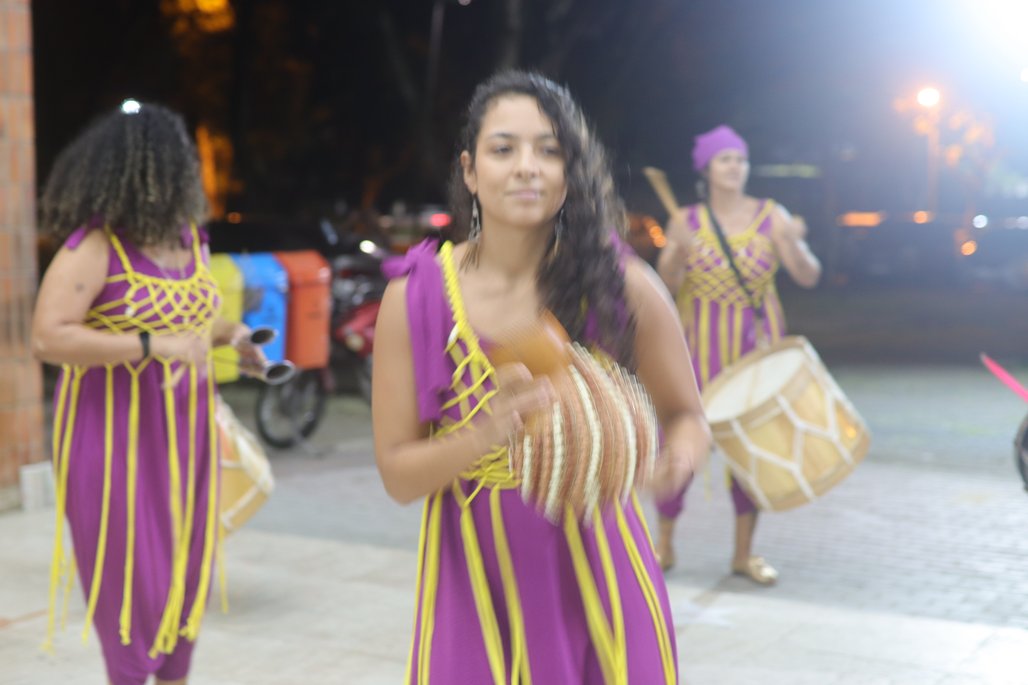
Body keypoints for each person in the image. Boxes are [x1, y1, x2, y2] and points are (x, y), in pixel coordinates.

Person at [372, 69, 710, 684]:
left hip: (605, 575)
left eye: (549, 150)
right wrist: (481, 435)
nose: (527, 166)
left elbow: (686, 415)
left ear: (568, 175)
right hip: (478, 584)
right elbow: (398, 474)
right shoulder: (415, 298)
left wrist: (675, 462)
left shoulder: (619, 285)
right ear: (471, 172)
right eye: (504, 149)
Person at [32, 101, 263, 685]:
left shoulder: (193, 241)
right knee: (135, 593)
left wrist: (235, 337)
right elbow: (47, 336)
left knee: (186, 585)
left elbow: (192, 324)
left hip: (185, 441)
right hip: (114, 445)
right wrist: (147, 346)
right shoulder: (94, 246)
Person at [653, 124, 822, 584]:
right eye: (725, 159)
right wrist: (674, 257)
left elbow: (808, 276)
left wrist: (794, 243)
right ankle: (662, 545)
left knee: (753, 453)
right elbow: (664, 288)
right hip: (696, 353)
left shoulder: (772, 216)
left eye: (741, 159)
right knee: (682, 447)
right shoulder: (684, 220)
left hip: (756, 355)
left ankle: (744, 554)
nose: (735, 167)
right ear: (706, 169)